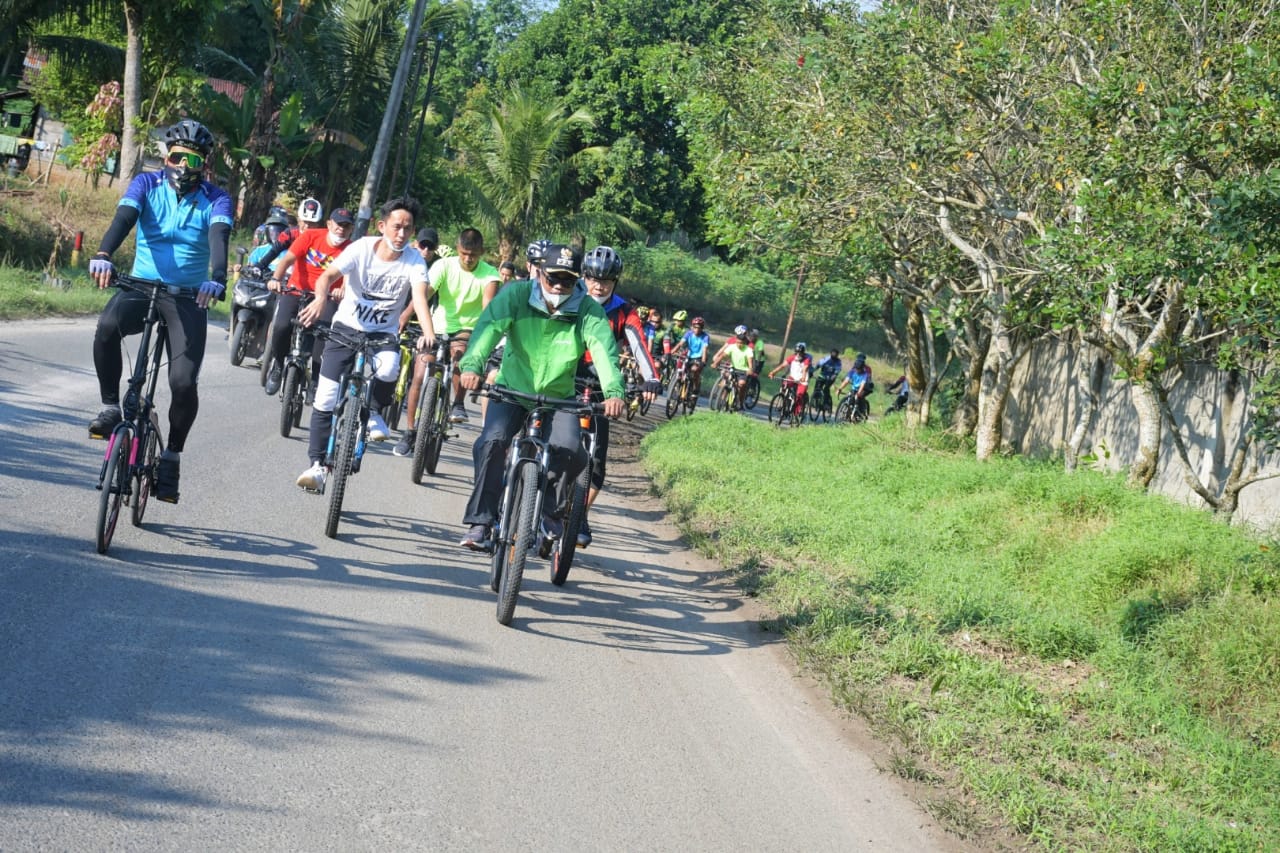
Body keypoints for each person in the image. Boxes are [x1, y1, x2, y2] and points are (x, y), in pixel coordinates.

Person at [87, 118, 233, 505]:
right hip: (141, 285)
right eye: (178, 157)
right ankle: (108, 407)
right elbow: (124, 219)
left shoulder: (217, 198)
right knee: (106, 328)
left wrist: (217, 278)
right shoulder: (146, 184)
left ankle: (171, 456)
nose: (185, 167)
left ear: (205, 165)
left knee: (183, 383)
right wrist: (103, 254)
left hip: (188, 297)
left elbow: (219, 237)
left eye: (195, 160)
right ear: (165, 157)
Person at [456, 244, 625, 550]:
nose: (559, 286)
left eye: (568, 280)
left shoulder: (589, 310)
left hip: (559, 397)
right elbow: (488, 330)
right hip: (513, 391)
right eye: (553, 278)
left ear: (578, 281)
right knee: (492, 442)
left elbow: (603, 352)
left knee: (572, 450)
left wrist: (614, 393)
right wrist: (472, 366)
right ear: (540, 274)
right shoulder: (516, 295)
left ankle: (551, 512)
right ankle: (481, 522)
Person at [294, 197, 433, 493]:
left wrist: (428, 333)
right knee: (326, 397)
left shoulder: (414, 260)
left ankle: (374, 413)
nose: (401, 234)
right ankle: (316, 465)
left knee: (389, 368)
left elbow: (419, 297)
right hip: (346, 328)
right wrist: (320, 297)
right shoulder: (360, 248)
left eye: (407, 229)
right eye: (396, 227)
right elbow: (329, 276)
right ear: (382, 226)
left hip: (382, 335)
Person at [576, 245, 663, 547]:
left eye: (607, 281)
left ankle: (580, 515)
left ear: (616, 282)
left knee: (596, 462)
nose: (599, 286)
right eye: (593, 279)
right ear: (583, 276)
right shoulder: (570, 296)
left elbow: (638, 345)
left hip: (602, 383)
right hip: (564, 378)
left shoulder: (624, 311)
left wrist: (651, 378)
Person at [262, 207, 356, 395]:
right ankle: (278, 365)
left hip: (326, 297)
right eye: (338, 224)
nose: (341, 230)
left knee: (323, 334)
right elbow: (287, 259)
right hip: (296, 290)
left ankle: (315, 381)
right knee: (281, 326)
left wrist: (342, 290)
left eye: (346, 226)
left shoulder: (351, 248)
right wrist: (276, 279)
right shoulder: (311, 236)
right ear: (329, 224)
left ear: (351, 229)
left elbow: (348, 274)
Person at [424, 227, 501, 425]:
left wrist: (488, 335)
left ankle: (458, 403)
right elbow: (425, 294)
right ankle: (414, 426)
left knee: (460, 354)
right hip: (439, 324)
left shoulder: (490, 274)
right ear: (457, 248)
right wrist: (405, 315)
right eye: (464, 254)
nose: (468, 259)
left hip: (468, 327)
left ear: (481, 252)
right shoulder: (443, 265)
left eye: (473, 255)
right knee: (423, 364)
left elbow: (487, 307)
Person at [390, 227, 445, 456]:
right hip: (400, 317)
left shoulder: (439, 267)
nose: (425, 250)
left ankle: (438, 415)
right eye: (422, 245)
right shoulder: (405, 258)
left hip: (427, 323)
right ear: (415, 244)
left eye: (430, 247)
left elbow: (426, 298)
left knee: (428, 376)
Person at [249, 197, 324, 275]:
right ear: (299, 220)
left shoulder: (322, 238)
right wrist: (260, 266)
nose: (307, 226)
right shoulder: (290, 233)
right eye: (305, 222)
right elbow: (275, 250)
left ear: (318, 224)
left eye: (311, 223)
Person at [710, 325, 755, 409]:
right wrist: (715, 361)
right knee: (725, 379)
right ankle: (722, 399)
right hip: (732, 366)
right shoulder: (732, 344)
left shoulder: (749, 347)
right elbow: (722, 353)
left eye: (741, 343)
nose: (739, 344)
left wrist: (750, 369)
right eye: (737, 342)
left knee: (741, 384)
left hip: (743, 369)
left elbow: (750, 360)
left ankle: (740, 401)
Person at [671, 314, 712, 399]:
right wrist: (672, 351)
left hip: (699, 357)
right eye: (695, 327)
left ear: (702, 328)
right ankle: (678, 384)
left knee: (694, 370)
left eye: (699, 327)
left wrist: (703, 361)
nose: (697, 329)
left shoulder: (705, 336)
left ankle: (695, 389)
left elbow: (704, 349)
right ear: (692, 327)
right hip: (689, 355)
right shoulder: (689, 333)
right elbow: (680, 343)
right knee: (681, 367)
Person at [768, 342, 814, 415]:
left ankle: (797, 412)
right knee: (784, 385)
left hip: (802, 381)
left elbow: (805, 369)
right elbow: (782, 365)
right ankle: (784, 401)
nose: (798, 355)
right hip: (792, 378)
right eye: (797, 353)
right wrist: (773, 372)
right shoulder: (792, 357)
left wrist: (803, 377)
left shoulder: (806, 359)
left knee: (799, 395)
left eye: (800, 353)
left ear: (803, 353)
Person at [812, 347, 843, 412]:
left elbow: (837, 370)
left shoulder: (838, 362)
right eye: (833, 353)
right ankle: (815, 401)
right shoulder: (826, 358)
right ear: (830, 353)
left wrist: (833, 376)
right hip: (822, 376)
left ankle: (826, 403)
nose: (834, 355)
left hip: (830, 378)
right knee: (817, 388)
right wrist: (812, 371)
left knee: (826, 389)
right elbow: (818, 365)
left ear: (837, 355)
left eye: (835, 354)